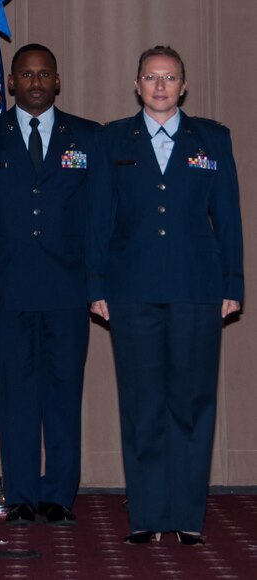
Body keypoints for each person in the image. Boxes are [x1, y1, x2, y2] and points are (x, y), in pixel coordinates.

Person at [87, 45, 243, 545]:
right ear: (137, 85)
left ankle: (187, 516)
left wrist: (233, 283)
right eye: (151, 77)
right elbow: (98, 220)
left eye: (169, 77)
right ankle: (150, 516)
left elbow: (230, 220)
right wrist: (96, 285)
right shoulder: (113, 139)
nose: (159, 86)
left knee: (191, 404)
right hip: (130, 291)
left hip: (197, 289)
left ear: (183, 86)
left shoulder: (212, 140)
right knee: (142, 404)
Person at [0, 44, 99, 525]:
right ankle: (21, 494)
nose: (36, 81)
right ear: (12, 82)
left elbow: (102, 218)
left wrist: (98, 281)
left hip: (69, 290)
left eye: (45, 73)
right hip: (6, 290)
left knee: (63, 395)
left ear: (58, 81)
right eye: (26, 74)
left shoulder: (88, 137)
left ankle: (59, 495)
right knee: (16, 396)